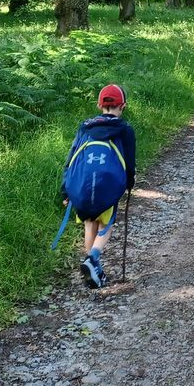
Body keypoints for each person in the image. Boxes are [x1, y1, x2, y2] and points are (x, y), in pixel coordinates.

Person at [59, 84, 137, 288]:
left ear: (99, 105)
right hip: (108, 184)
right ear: (123, 106)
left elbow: (71, 158)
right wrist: (129, 183)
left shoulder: (85, 127)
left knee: (89, 223)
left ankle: (92, 268)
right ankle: (93, 258)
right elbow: (129, 161)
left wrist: (65, 189)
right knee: (106, 223)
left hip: (82, 183)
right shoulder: (125, 129)